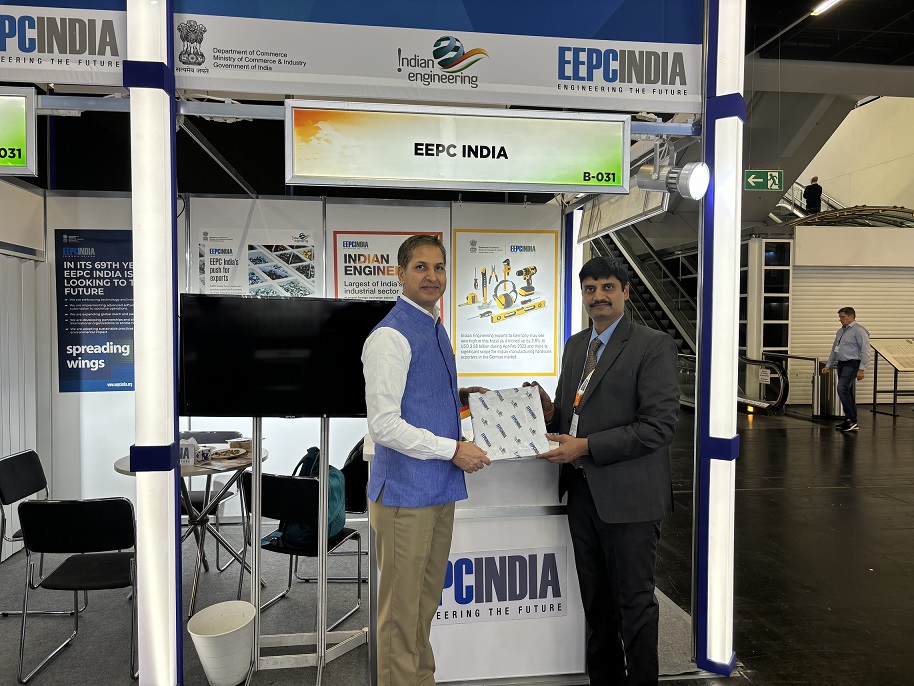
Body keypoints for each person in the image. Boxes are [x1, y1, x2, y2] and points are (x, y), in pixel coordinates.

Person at [527, 257, 679, 686]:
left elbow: (659, 427)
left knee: (634, 604)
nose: (599, 296)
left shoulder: (653, 345)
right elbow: (571, 413)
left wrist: (588, 446)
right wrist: (548, 411)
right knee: (596, 604)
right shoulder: (577, 345)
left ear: (626, 291)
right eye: (590, 289)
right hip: (582, 493)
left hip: (630, 498)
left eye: (608, 287)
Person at [362, 234, 490, 686]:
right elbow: (384, 425)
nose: (432, 276)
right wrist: (453, 449)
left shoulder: (434, 325)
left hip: (436, 490)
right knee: (401, 614)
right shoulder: (391, 336)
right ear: (400, 274)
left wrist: (462, 397)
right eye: (420, 267)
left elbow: (417, 395)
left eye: (438, 267)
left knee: (424, 604)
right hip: (405, 496)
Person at [821, 307, 870, 433]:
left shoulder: (859, 330)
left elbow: (865, 351)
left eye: (842, 317)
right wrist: (828, 365)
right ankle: (850, 420)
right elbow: (835, 349)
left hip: (852, 363)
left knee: (842, 388)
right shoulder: (840, 331)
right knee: (848, 391)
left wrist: (862, 369)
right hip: (842, 364)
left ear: (851, 316)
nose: (840, 319)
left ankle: (852, 420)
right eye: (840, 317)